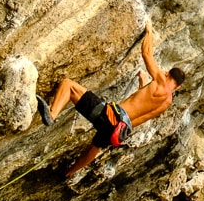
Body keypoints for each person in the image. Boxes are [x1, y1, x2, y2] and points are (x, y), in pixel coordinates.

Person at [38, 20, 186, 177]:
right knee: (94, 147)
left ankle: (52, 115)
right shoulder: (167, 102)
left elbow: (146, 53)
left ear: (168, 73)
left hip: (111, 116)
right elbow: (142, 111)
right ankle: (69, 172)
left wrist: (149, 32)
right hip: (119, 130)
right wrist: (143, 83)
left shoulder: (161, 80)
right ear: (178, 87)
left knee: (68, 85)